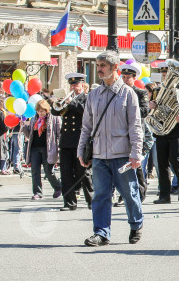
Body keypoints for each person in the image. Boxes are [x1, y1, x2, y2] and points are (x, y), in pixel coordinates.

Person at [78, 50, 144, 247]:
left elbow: (135, 126)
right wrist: (82, 149)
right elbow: (87, 126)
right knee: (100, 195)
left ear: (115, 68)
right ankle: (101, 233)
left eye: (103, 66)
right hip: (99, 155)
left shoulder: (128, 94)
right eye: (98, 66)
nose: (99, 69)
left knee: (129, 193)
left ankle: (136, 224)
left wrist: (136, 153)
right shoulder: (94, 95)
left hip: (122, 156)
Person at [148, 60, 179, 204]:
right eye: (163, 73)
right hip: (161, 130)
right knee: (161, 164)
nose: (165, 76)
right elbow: (153, 111)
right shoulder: (156, 91)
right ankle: (164, 195)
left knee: (176, 159)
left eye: (167, 73)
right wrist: (151, 106)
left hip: (177, 130)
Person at [51, 73, 93, 210]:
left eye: (76, 84)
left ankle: (92, 200)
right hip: (66, 141)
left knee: (83, 173)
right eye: (72, 85)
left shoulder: (87, 98)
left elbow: (85, 112)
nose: (74, 87)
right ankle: (69, 202)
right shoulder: (67, 99)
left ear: (82, 85)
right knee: (66, 173)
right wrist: (57, 103)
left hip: (81, 141)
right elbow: (56, 112)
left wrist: (72, 103)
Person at [119, 64, 150, 203]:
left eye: (128, 78)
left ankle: (141, 192)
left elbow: (145, 111)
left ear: (134, 78)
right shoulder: (118, 92)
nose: (125, 80)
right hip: (121, 133)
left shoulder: (140, 93)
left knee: (136, 165)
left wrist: (129, 109)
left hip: (135, 133)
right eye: (123, 77)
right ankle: (123, 194)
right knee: (122, 165)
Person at [23, 100, 62, 200]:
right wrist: (24, 128)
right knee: (35, 171)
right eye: (39, 111)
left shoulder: (54, 118)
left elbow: (59, 133)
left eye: (43, 111)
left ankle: (58, 187)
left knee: (48, 171)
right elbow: (30, 135)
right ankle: (37, 192)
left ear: (47, 110)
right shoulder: (34, 120)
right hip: (35, 148)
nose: (41, 113)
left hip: (48, 148)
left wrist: (60, 146)